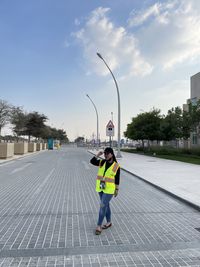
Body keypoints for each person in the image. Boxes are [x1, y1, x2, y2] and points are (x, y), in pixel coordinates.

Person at [90, 147, 120, 235]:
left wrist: (116, 190)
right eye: (105, 153)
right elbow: (92, 161)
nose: (106, 155)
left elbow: (117, 179)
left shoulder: (116, 166)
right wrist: (98, 155)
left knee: (102, 206)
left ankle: (99, 226)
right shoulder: (102, 162)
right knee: (106, 205)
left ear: (112, 154)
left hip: (109, 189)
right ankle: (109, 222)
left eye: (107, 153)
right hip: (101, 187)